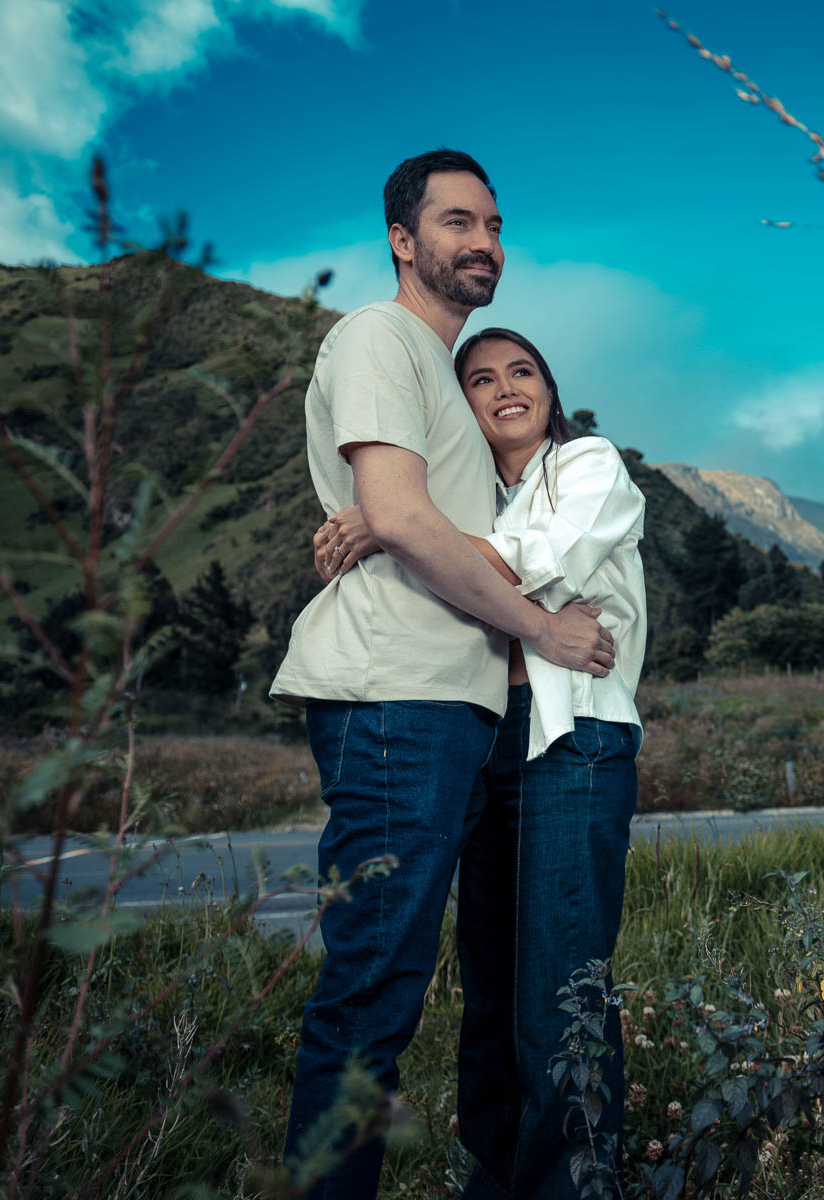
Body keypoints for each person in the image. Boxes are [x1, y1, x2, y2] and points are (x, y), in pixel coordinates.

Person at [270, 149, 616, 1200]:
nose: (484, 243)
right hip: (397, 700)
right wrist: (540, 629)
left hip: (452, 710)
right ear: (402, 239)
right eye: (458, 222)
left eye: (495, 225)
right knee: (374, 988)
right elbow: (406, 515)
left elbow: (425, 520)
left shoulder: (442, 376)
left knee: (423, 980)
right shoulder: (378, 337)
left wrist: (384, 523)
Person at [314, 326, 647, 1198]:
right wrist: (414, 529)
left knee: (561, 977)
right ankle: (497, 1175)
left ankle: (570, 1185)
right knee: (492, 979)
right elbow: (453, 578)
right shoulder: (463, 500)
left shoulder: (589, 465)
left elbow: (540, 561)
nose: (505, 389)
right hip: (486, 732)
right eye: (481, 379)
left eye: (522, 371)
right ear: (461, 406)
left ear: (550, 388)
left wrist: (392, 528)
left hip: (574, 738)